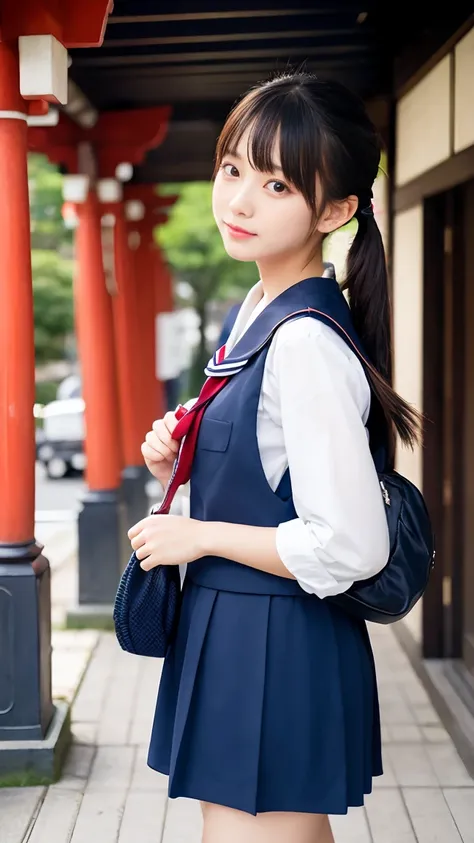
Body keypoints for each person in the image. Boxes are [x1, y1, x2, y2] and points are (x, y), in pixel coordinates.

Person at [127, 71, 420, 843]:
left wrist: (203, 535)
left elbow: (352, 544)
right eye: (232, 169)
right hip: (240, 630)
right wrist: (182, 477)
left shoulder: (303, 341)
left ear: (335, 210)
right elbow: (274, 484)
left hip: (275, 640)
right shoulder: (257, 315)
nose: (240, 200)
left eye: (277, 182)